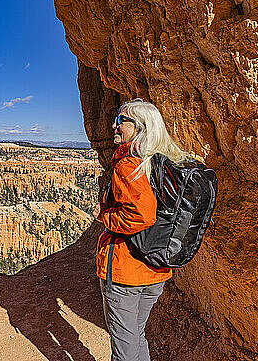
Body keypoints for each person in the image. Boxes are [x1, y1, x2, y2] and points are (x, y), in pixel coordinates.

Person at [96, 98, 188, 361]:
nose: (114, 126)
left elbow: (142, 215)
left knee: (124, 347)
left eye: (121, 121)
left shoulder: (128, 164)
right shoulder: (161, 163)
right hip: (156, 266)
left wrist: (106, 217)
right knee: (135, 335)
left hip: (127, 269)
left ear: (140, 127)